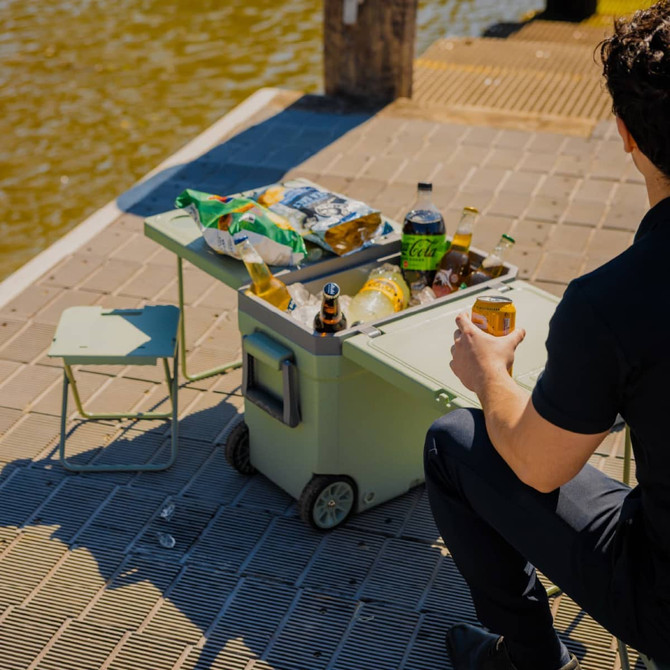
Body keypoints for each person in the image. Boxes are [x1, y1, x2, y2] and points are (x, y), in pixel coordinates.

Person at [423, 3, 670, 669]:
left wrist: (489, 375)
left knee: (454, 443)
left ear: (624, 133)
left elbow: (539, 465)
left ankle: (529, 655)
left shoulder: (612, 300)